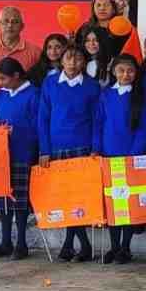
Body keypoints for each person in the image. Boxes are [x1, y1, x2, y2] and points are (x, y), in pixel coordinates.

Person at [37, 45, 102, 263]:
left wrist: (95, 147)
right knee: (64, 196)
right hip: (57, 148)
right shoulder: (50, 84)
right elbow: (43, 119)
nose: (72, 63)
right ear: (61, 61)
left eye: (77, 59)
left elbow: (97, 120)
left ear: (84, 62)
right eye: (68, 58)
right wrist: (44, 150)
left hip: (83, 149)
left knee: (79, 197)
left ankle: (73, 245)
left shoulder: (92, 87)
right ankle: (79, 244)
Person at [94, 54, 146, 264]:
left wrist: (133, 153)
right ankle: (114, 246)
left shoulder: (142, 95)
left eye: (130, 71)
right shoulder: (106, 95)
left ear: (136, 73)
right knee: (113, 203)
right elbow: (99, 123)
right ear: (113, 71)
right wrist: (96, 149)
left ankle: (126, 248)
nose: (125, 75)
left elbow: (145, 127)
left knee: (129, 202)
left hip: (131, 156)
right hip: (109, 155)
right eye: (121, 70)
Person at [0, 57, 40, 261]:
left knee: (20, 203)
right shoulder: (1, 96)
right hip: (2, 155)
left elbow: (38, 125)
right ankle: (5, 241)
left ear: (16, 76)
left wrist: (17, 131)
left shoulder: (33, 94)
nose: (0, 83)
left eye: (3, 78)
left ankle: (22, 243)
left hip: (23, 153)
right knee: (3, 201)